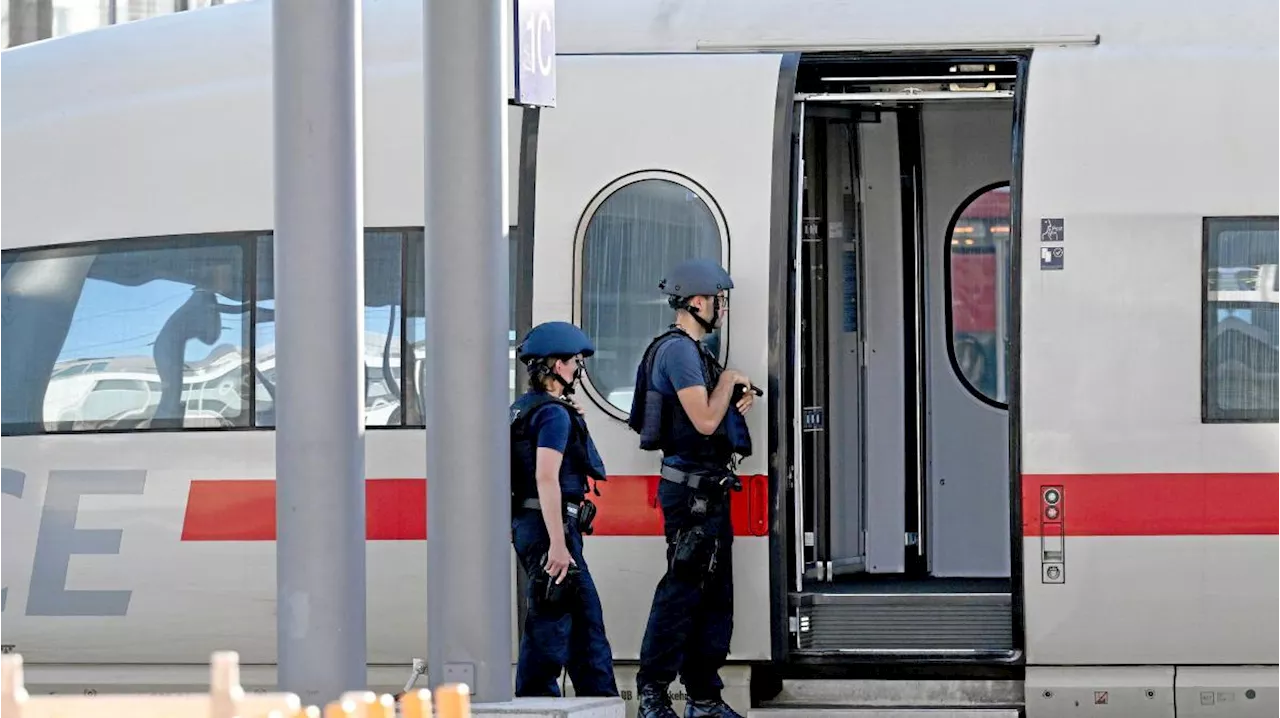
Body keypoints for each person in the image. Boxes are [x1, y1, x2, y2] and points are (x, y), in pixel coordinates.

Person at [628, 259, 756, 718]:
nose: (722, 309)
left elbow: (710, 412)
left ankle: (704, 698)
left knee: (713, 597)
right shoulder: (679, 352)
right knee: (682, 593)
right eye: (719, 301)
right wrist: (727, 380)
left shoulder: (694, 352)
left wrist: (736, 392)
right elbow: (703, 420)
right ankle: (653, 694)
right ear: (698, 302)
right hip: (692, 497)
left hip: (708, 492)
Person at [509, 321, 619, 699]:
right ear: (556, 366)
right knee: (559, 622)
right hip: (549, 529)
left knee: (567, 620)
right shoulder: (553, 414)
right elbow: (545, 477)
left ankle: (592, 701)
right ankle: (544, 702)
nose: (578, 369)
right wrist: (559, 543)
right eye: (574, 362)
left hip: (533, 525)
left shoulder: (525, 410)